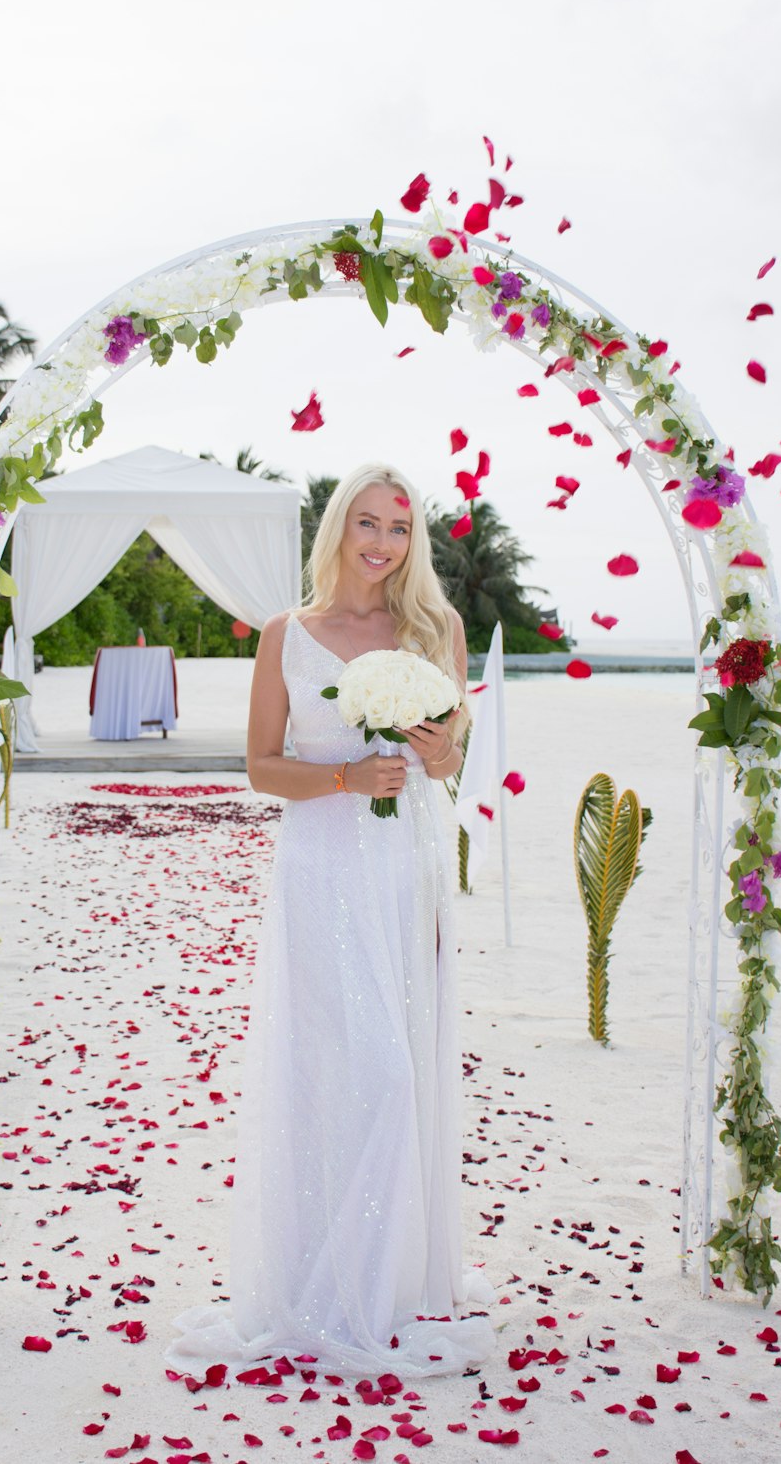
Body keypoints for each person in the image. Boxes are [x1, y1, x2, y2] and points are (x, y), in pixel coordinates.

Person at [165, 462, 495, 1380]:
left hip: (404, 871)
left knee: (401, 1070)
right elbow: (262, 767)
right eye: (367, 522)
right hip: (320, 872)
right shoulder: (288, 635)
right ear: (338, 530)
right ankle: (320, 1272)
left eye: (399, 527)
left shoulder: (438, 629)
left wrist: (436, 750)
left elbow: (447, 767)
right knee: (342, 1071)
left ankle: (387, 1283)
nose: (382, 543)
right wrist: (347, 778)